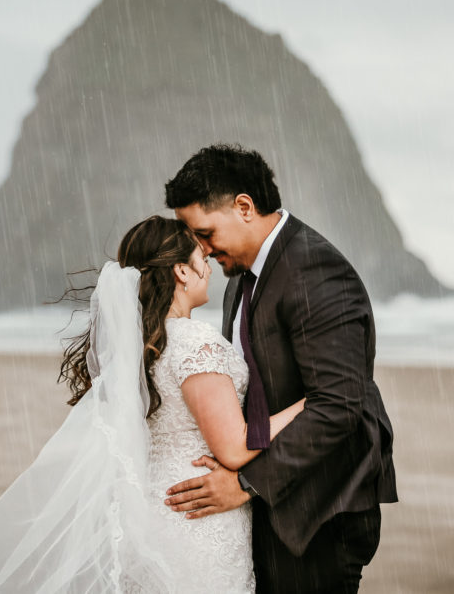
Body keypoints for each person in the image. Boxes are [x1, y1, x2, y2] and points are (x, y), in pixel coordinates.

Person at [0, 215, 304, 593]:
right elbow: (235, 446)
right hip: (197, 520)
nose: (208, 265)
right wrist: (304, 407)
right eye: (200, 257)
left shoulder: (144, 345)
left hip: (154, 516)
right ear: (181, 270)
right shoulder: (195, 342)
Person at [164, 143, 398, 593]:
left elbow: (338, 407)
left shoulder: (316, 271)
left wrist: (246, 484)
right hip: (274, 506)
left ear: (244, 207)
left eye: (206, 233)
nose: (203, 250)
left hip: (321, 511)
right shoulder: (240, 281)